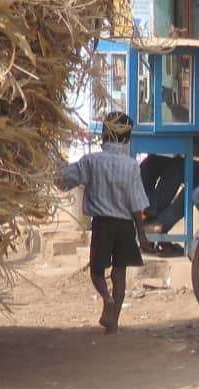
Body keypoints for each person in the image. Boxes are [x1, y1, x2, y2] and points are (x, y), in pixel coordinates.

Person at [57, 112, 152, 334]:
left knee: (96, 271)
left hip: (102, 224)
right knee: (119, 273)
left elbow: (63, 180)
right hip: (125, 226)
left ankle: (106, 298)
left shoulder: (91, 161)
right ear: (127, 138)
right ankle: (114, 323)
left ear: (104, 134)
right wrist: (143, 236)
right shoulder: (131, 166)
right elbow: (137, 205)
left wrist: (53, 163)